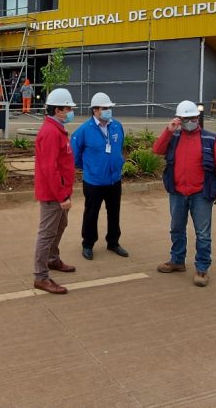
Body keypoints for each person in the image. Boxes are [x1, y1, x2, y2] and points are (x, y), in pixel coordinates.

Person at [152, 100, 216, 286]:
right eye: (186, 118)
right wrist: (168, 130)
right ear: (179, 119)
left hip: (201, 193)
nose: (190, 121)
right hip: (178, 191)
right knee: (176, 228)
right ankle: (177, 261)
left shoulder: (210, 139)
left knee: (203, 233)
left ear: (198, 118)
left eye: (193, 118)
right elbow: (157, 149)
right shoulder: (174, 136)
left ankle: (202, 268)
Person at [70, 92, 128, 260]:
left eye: (109, 108)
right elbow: (75, 155)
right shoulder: (84, 130)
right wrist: (90, 168)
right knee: (91, 213)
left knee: (114, 212)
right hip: (94, 181)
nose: (108, 111)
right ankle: (88, 244)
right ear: (95, 110)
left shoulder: (117, 126)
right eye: (105, 108)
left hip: (114, 180)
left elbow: (119, 147)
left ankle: (113, 242)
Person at [33, 87, 77, 294]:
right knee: (47, 233)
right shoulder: (51, 132)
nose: (70, 112)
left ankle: (52, 259)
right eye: (68, 108)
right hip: (53, 194)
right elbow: (50, 168)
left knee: (60, 225)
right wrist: (61, 196)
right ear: (58, 110)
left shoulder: (57, 129)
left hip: (61, 191)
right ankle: (41, 277)